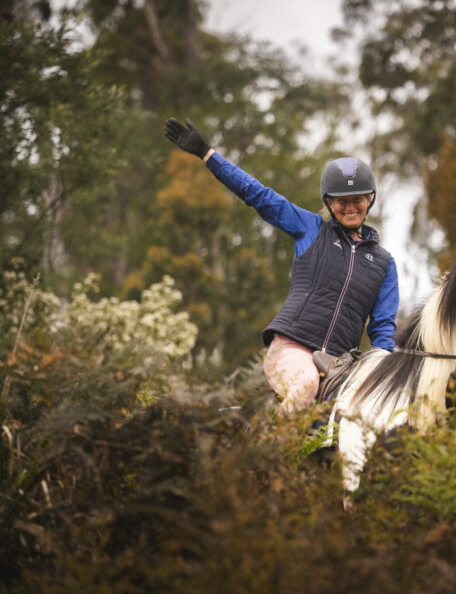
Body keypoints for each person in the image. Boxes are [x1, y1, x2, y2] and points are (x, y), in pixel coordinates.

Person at [164, 118, 399, 413]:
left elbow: (383, 332)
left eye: (358, 199)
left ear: (369, 201)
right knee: (304, 388)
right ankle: (265, 450)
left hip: (342, 367)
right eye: (342, 200)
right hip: (293, 349)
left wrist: (387, 376)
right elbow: (258, 195)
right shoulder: (310, 228)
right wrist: (207, 154)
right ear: (328, 202)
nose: (350, 207)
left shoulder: (384, 263)